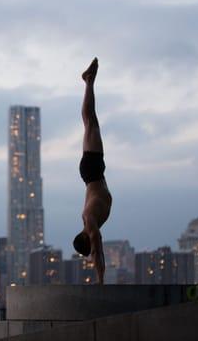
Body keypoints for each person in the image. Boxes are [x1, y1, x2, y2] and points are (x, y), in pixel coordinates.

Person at [72, 57, 112, 285]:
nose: (95, 244)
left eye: (91, 244)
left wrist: (100, 277)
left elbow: (98, 250)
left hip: (92, 170)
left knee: (90, 121)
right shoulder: (90, 222)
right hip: (94, 173)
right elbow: (97, 248)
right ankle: (89, 81)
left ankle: (88, 81)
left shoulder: (90, 221)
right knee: (90, 122)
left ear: (86, 238)